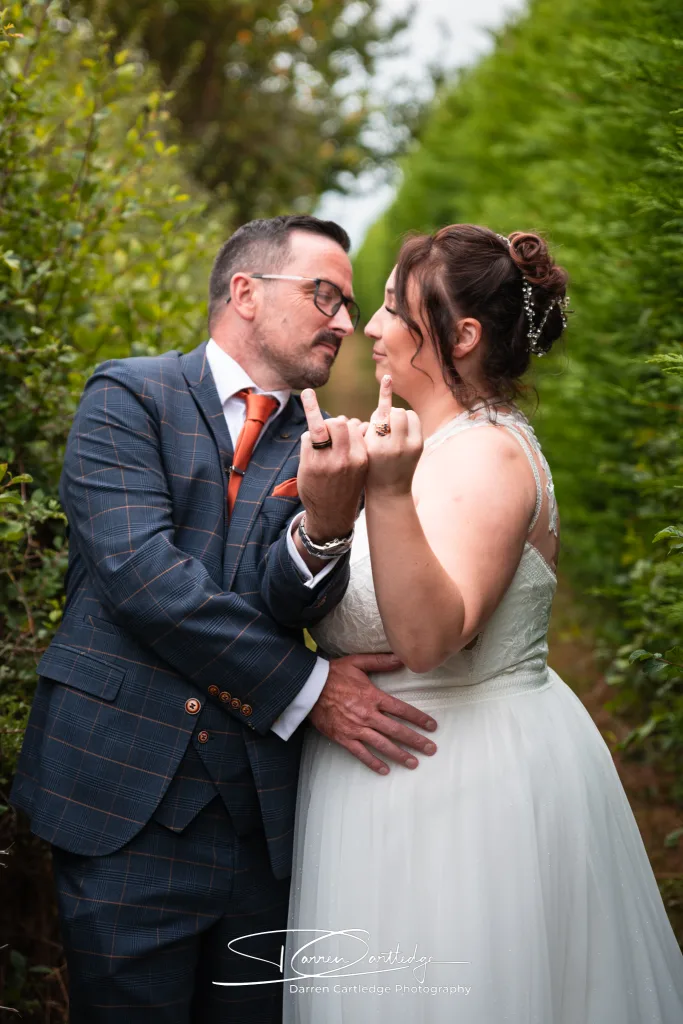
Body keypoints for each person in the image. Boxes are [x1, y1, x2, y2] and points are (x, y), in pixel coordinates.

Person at [9, 214, 438, 1024]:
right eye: (324, 295)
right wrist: (313, 688)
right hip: (118, 802)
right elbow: (145, 582)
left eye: (346, 305)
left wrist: (325, 526)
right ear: (245, 292)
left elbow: (290, 601)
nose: (344, 322)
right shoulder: (127, 397)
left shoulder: (320, 443)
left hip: (259, 821)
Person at [281, 225, 683, 1022]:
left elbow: (429, 640)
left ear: (461, 336)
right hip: (395, 771)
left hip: (457, 784)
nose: (371, 328)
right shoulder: (439, 446)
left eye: (394, 309)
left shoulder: (486, 457)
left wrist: (386, 496)